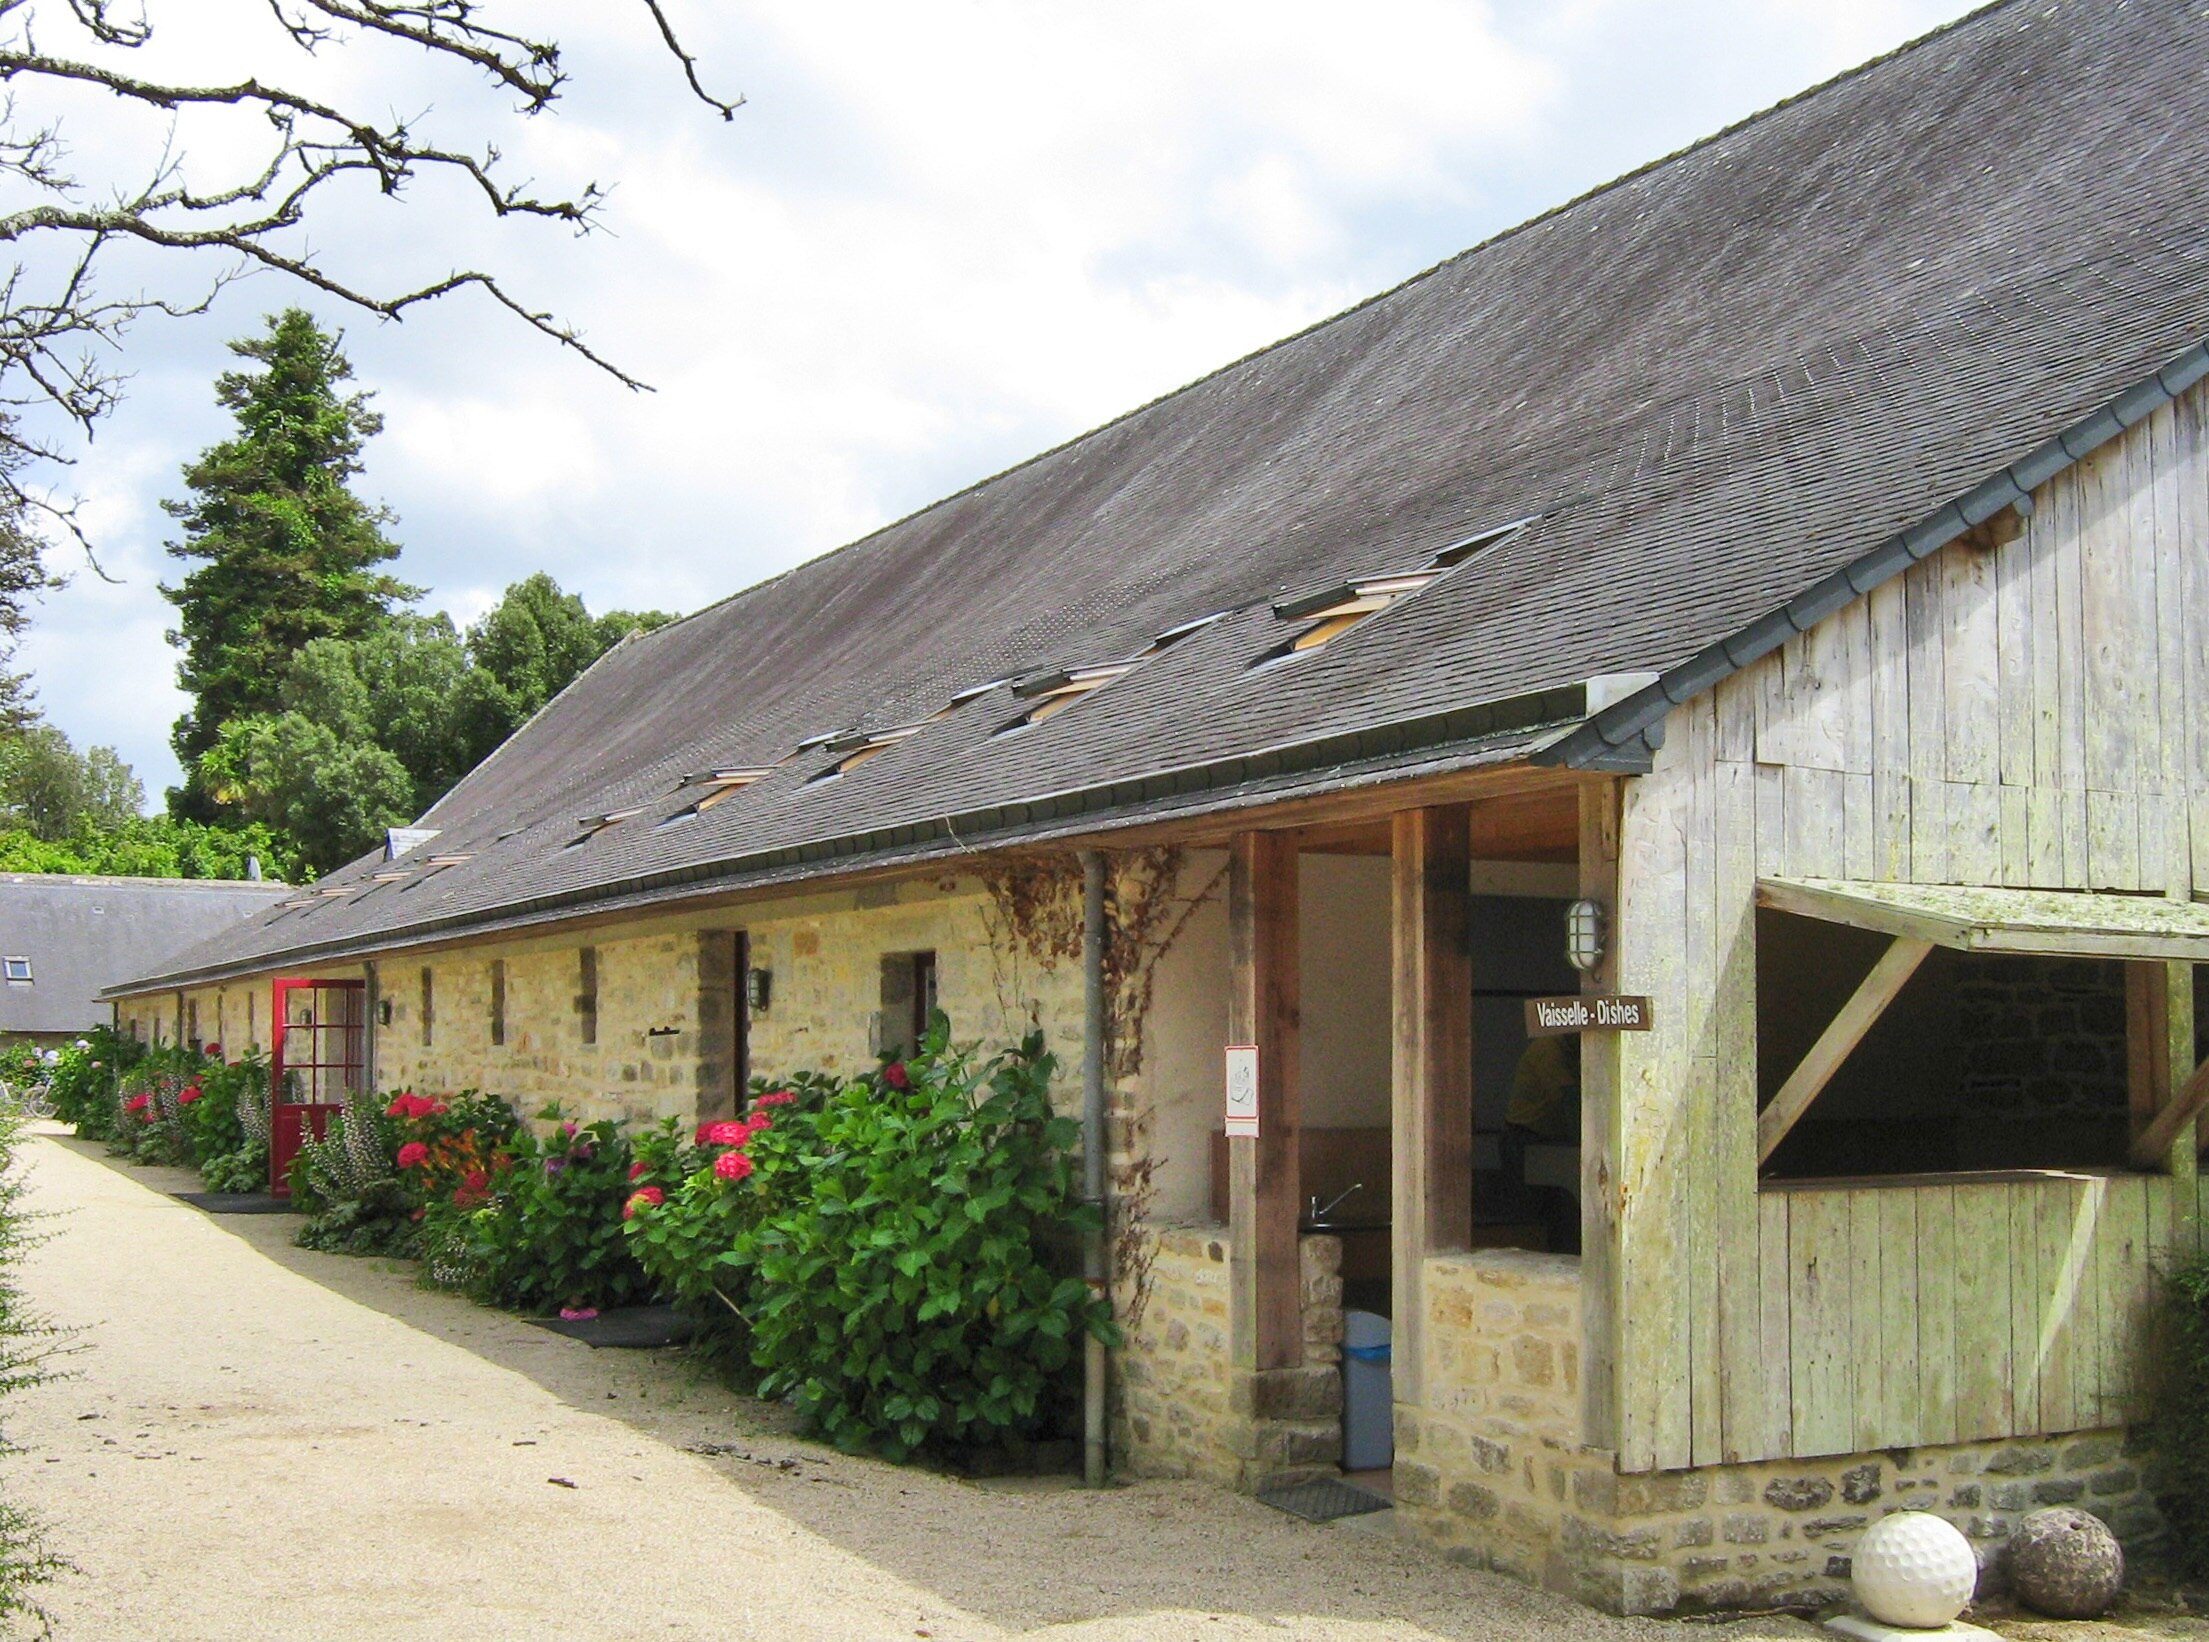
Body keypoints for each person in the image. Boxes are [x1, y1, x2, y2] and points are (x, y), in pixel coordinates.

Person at [1505, 1034, 1581, 1252]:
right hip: (1525, 1138)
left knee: (1557, 1211)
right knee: (1530, 1218)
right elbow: (1567, 1095)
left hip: (1548, 1139)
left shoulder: (1567, 1050)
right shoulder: (1549, 1049)